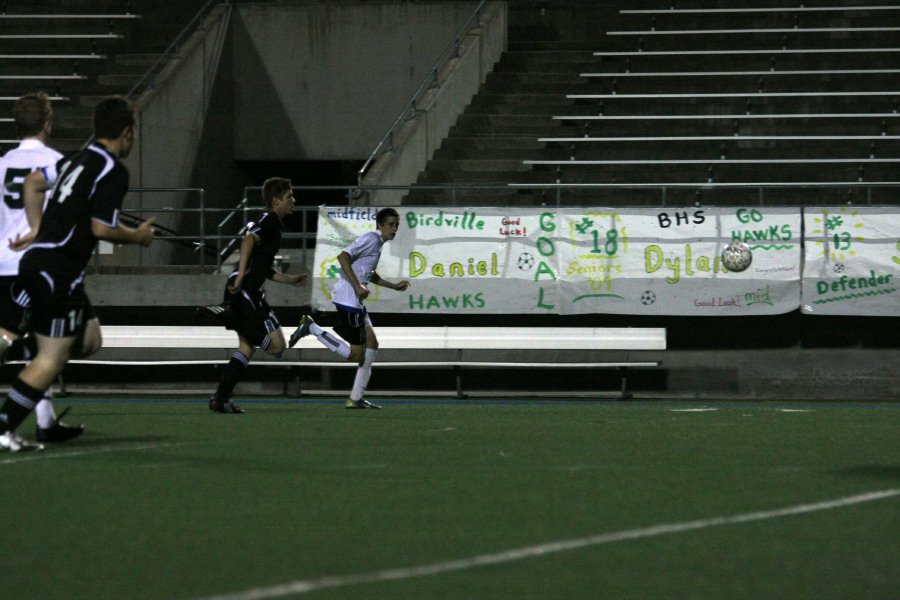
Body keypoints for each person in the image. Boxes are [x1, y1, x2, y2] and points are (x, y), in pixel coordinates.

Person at [0, 95, 156, 452]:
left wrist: (38, 230)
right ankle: (4, 426)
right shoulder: (113, 171)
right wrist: (139, 237)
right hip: (59, 271)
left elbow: (33, 183)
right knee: (50, 360)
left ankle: (21, 377)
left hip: (36, 263)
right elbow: (102, 229)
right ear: (127, 133)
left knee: (85, 340)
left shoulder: (74, 159)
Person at [0, 92, 84, 447]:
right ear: (48, 122)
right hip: (40, 266)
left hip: (3, 261)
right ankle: (31, 422)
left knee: (32, 346)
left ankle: (46, 421)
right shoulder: (56, 162)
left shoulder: (2, 163)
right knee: (46, 346)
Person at [201, 177, 307, 414]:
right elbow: (247, 240)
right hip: (247, 290)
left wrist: (290, 279)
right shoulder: (270, 221)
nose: (293, 201)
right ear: (276, 201)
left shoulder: (269, 222)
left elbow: (264, 268)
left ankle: (220, 399)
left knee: (246, 348)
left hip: (245, 289)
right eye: (289, 197)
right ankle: (227, 315)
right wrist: (240, 276)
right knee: (277, 346)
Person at [288, 206, 410, 409]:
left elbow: (367, 273)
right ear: (380, 225)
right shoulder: (371, 238)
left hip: (355, 300)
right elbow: (343, 257)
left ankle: (355, 398)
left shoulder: (378, 243)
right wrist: (357, 286)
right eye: (391, 224)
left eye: (397, 225)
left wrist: (393, 286)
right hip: (348, 299)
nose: (394, 229)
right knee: (356, 355)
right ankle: (312, 328)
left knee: (372, 344)